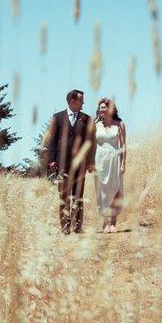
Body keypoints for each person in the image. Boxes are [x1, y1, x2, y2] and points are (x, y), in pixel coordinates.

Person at [46, 89, 95, 234]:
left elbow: (90, 141)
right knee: (64, 197)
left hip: (80, 164)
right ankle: (65, 228)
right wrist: (51, 160)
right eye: (81, 100)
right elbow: (52, 140)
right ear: (72, 101)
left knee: (78, 196)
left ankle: (78, 227)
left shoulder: (87, 119)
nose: (83, 103)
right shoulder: (58, 117)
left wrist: (90, 161)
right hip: (62, 163)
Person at [94, 97, 126, 233]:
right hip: (100, 160)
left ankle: (113, 221)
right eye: (100, 107)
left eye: (104, 107)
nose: (101, 109)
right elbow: (89, 144)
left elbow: (124, 146)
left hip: (114, 158)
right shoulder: (95, 124)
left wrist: (123, 163)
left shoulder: (119, 124)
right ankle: (105, 222)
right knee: (102, 191)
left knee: (115, 189)